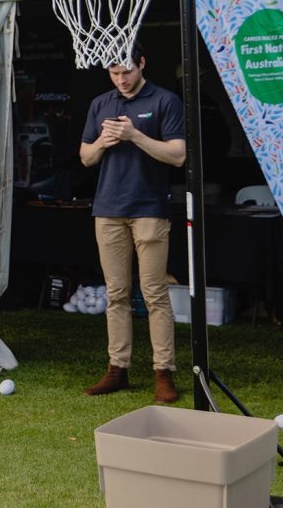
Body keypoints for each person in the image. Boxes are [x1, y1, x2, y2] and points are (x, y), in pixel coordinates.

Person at [79, 43, 185, 403]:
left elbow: (178, 155)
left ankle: (163, 372)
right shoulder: (101, 103)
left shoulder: (165, 100)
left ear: (142, 63)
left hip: (149, 208)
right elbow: (85, 157)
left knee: (154, 293)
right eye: (114, 73)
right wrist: (103, 142)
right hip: (107, 209)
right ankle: (117, 369)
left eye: (127, 71)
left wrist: (134, 136)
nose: (121, 79)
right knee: (116, 294)